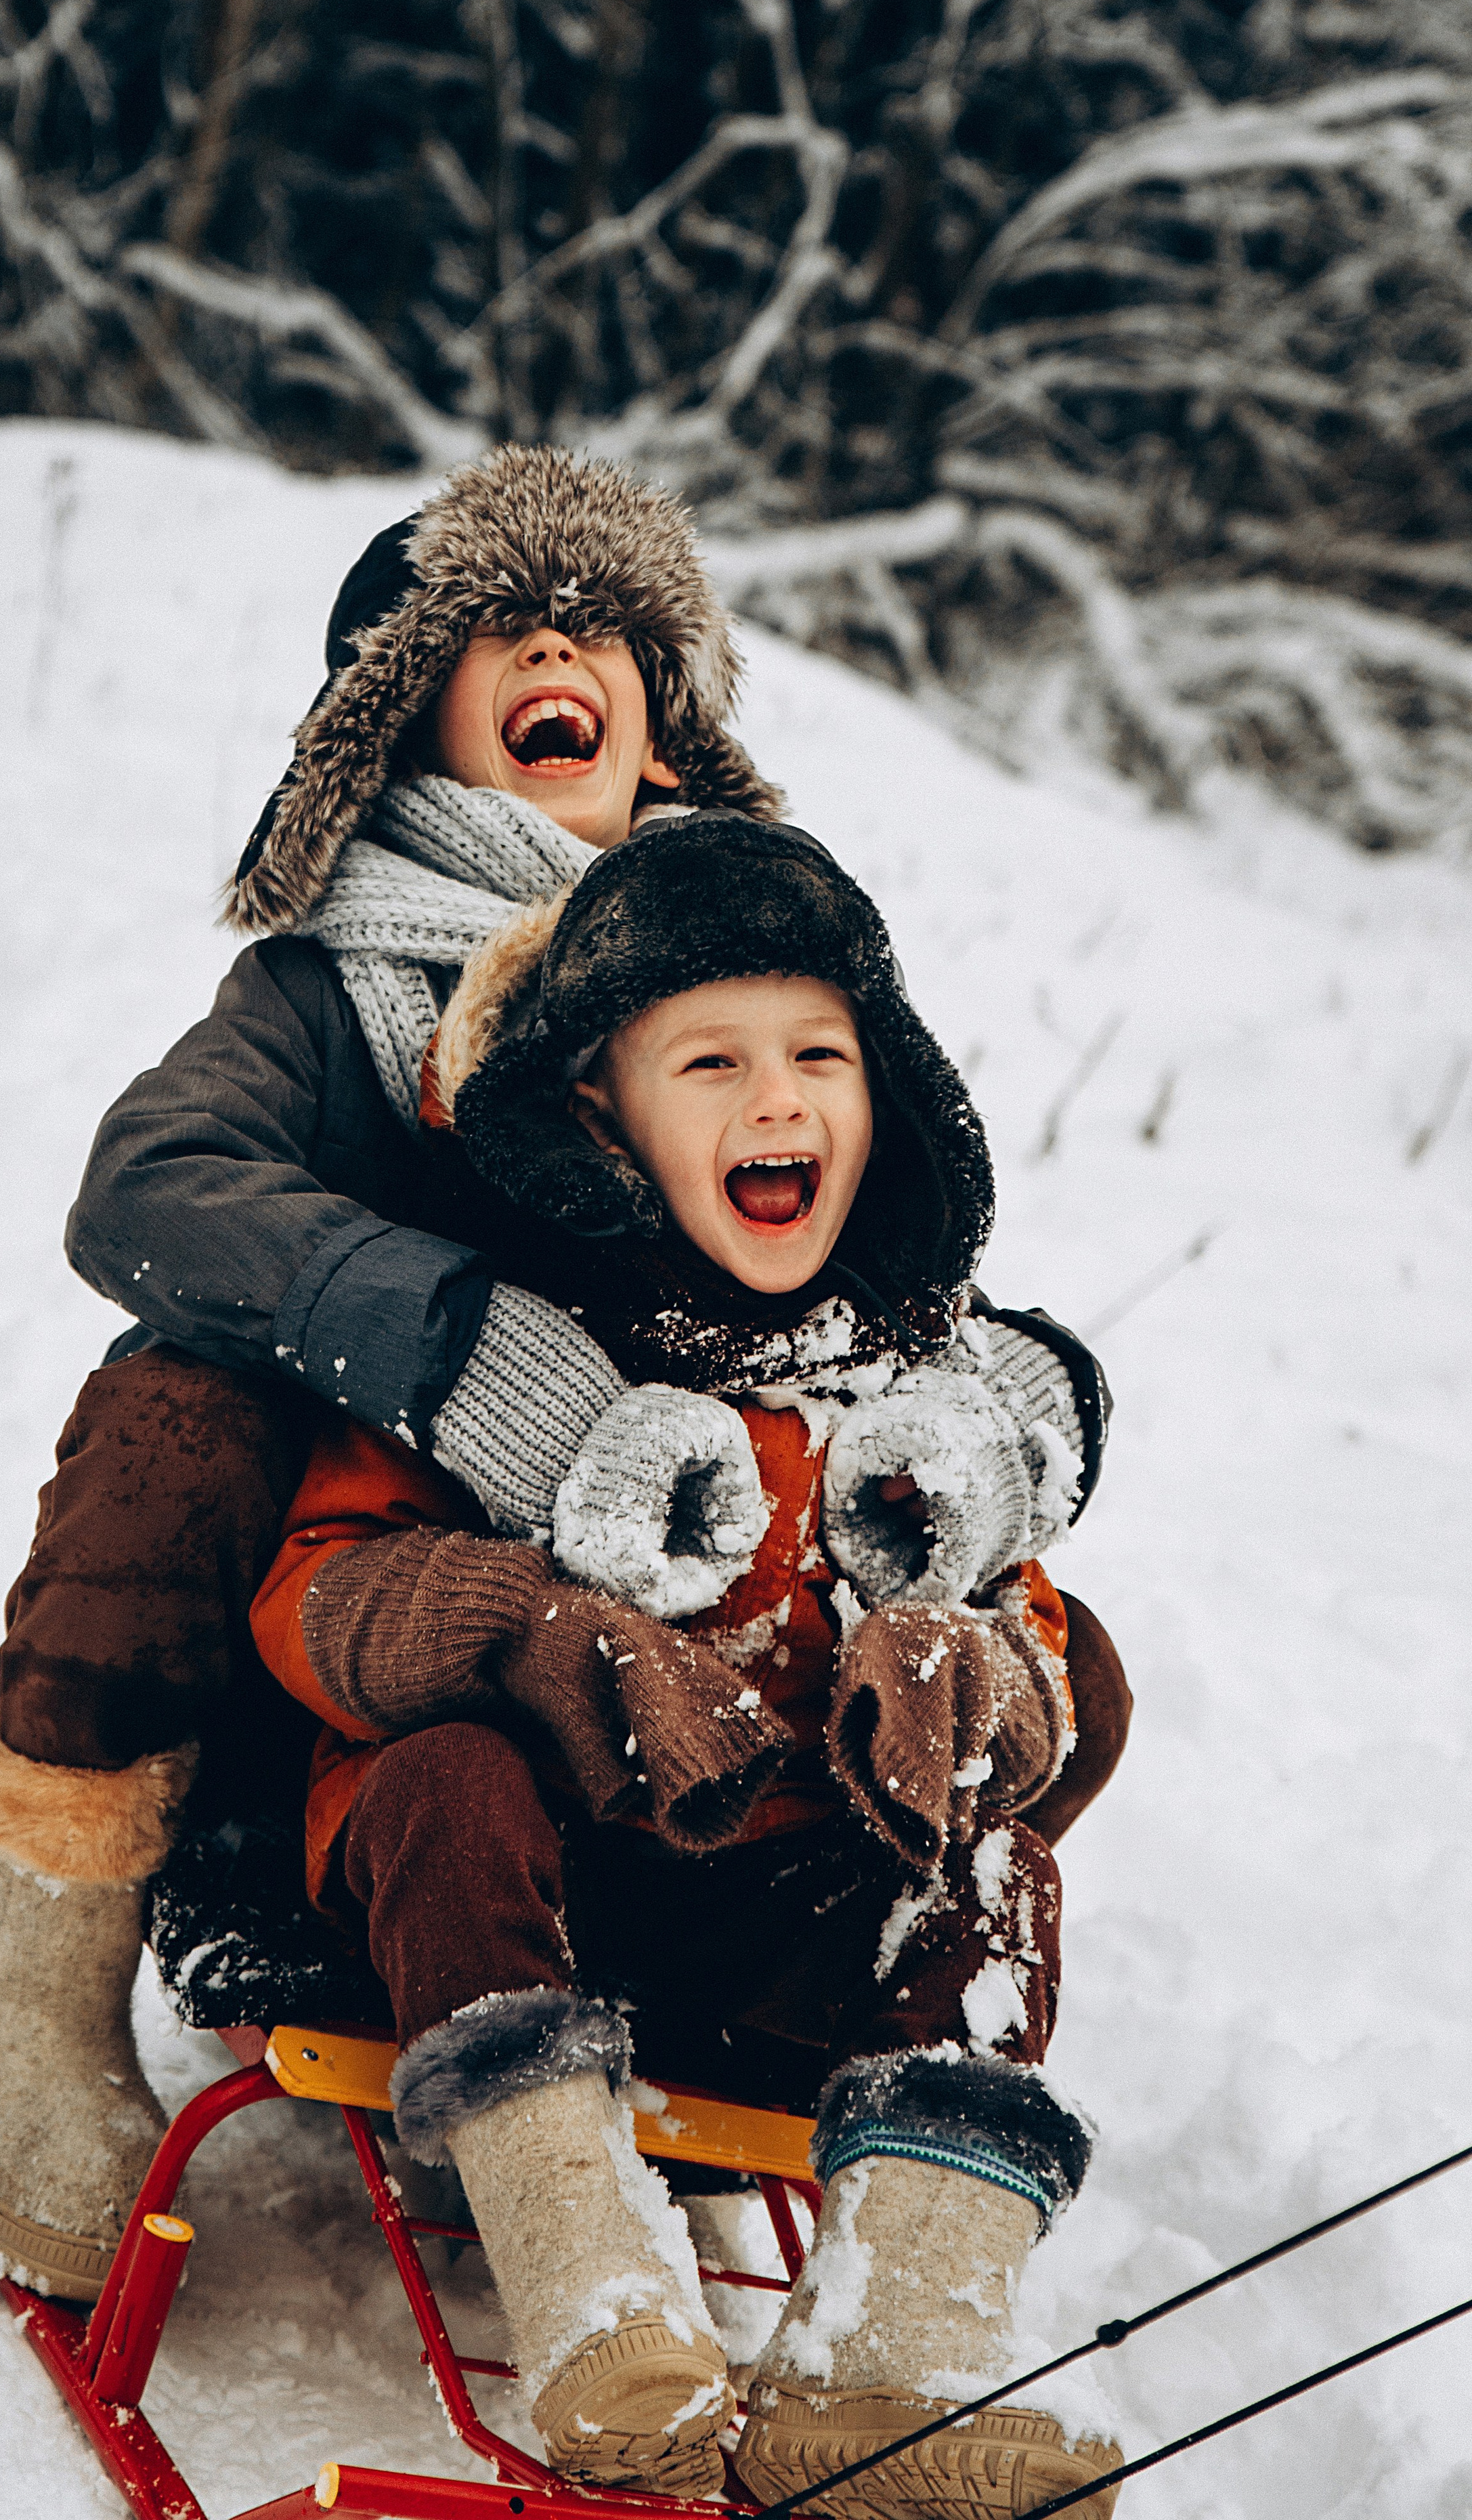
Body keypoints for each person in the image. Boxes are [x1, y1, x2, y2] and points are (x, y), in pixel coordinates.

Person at [0, 444, 1113, 2313]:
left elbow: (871, 1238)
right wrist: (465, 1347)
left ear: (664, 722)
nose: (557, 638)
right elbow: (147, 1188)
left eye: (605, 620)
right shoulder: (332, 994)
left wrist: (979, 1414)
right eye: (494, 622)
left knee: (1003, 1618)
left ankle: (741, 1958)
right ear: (397, 727)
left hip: (668, 1613)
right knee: (176, 1413)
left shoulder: (737, 955)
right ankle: (30, 1971)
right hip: (359, 1581)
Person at [249, 815, 1131, 2517]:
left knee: (987, 1880)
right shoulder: (517, 1344)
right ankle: (594, 2309)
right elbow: (319, 1595)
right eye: (709, 1060)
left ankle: (884, 2369)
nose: (777, 1101)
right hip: (500, 1908)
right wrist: (531, 1624)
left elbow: (1036, 1648)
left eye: (821, 1055)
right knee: (446, 1776)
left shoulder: (918, 1389)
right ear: (600, 1104)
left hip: (760, 1919)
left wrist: (976, 1678)